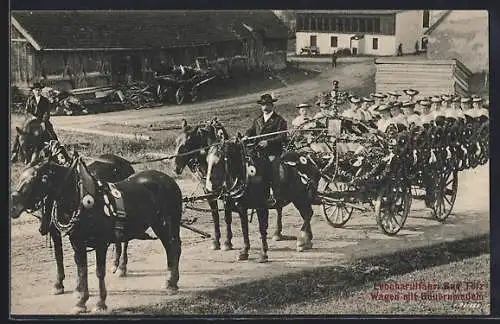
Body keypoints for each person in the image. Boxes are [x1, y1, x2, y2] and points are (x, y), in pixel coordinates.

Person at [244, 93, 288, 204]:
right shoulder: (258, 120)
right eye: (262, 105)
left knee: (271, 169)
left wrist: (268, 142)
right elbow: (251, 130)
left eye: (267, 104)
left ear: (272, 105)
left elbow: (282, 136)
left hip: (273, 152)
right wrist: (246, 135)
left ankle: (272, 193)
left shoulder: (279, 120)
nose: (264, 107)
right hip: (258, 151)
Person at [11, 82, 58, 162]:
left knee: (51, 132)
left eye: (39, 90)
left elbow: (47, 112)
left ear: (41, 91)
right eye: (36, 90)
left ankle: (57, 149)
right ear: (33, 91)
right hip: (31, 120)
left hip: (41, 120)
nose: (37, 91)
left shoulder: (45, 100)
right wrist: (32, 117)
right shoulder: (30, 100)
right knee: (20, 133)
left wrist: (43, 121)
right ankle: (14, 152)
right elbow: (27, 111)